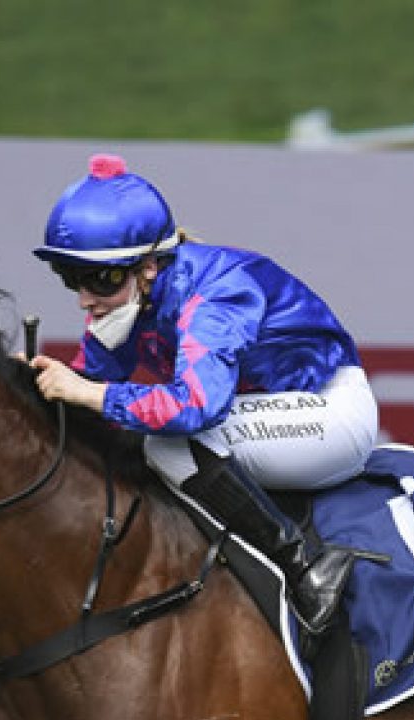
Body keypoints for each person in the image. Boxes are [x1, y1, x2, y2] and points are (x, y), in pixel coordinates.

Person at [28, 154, 378, 637]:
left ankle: (305, 570)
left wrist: (91, 393)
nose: (85, 298)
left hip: (331, 413)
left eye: (101, 279)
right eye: (72, 278)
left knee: (169, 445)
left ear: (150, 266)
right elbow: (84, 389)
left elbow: (196, 406)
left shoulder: (213, 295)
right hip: (263, 411)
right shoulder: (133, 301)